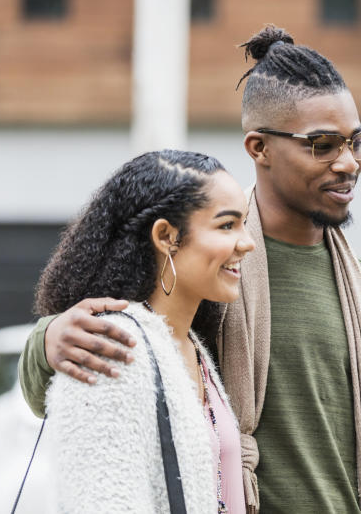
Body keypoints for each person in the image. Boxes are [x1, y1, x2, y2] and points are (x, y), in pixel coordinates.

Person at [18, 26, 361, 513]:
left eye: (358, 142)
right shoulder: (205, 268)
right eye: (323, 144)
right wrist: (49, 338)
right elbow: (78, 392)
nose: (349, 162)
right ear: (259, 148)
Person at [35, 150, 255, 512]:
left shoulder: (190, 345)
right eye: (227, 225)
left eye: (244, 223)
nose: (246, 242)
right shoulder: (112, 349)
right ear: (167, 236)